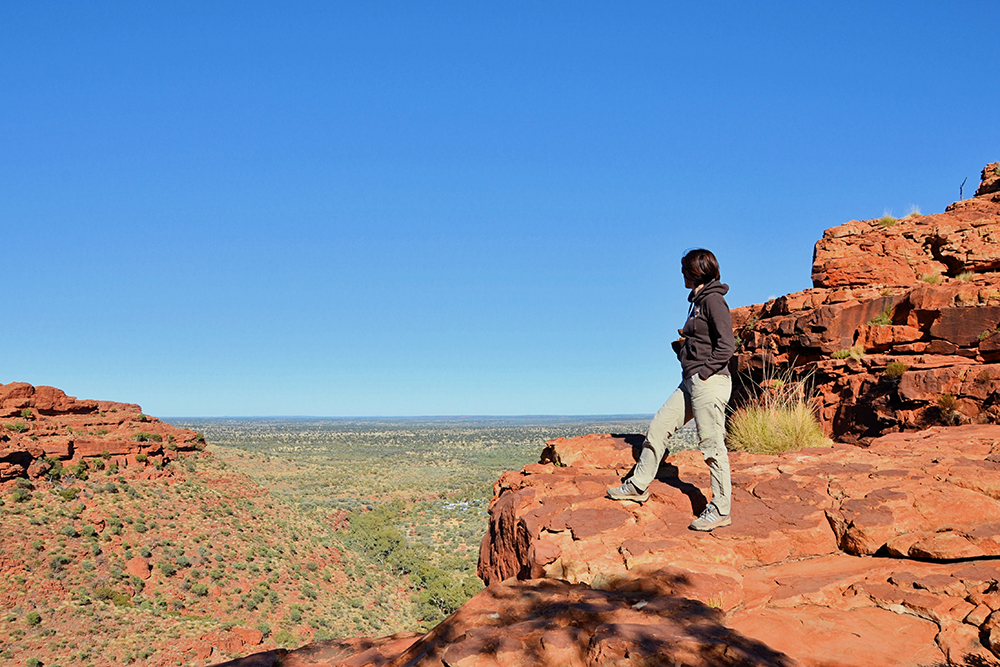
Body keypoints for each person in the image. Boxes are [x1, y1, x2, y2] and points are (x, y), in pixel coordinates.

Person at [607, 248, 736, 532]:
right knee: (659, 427)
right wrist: (686, 348)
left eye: (683, 270)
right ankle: (638, 485)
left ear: (696, 271)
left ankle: (721, 509)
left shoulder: (714, 300)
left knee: (712, 446)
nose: (681, 274)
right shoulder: (698, 301)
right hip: (691, 382)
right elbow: (705, 341)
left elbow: (727, 345)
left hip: (708, 382)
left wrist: (703, 371)